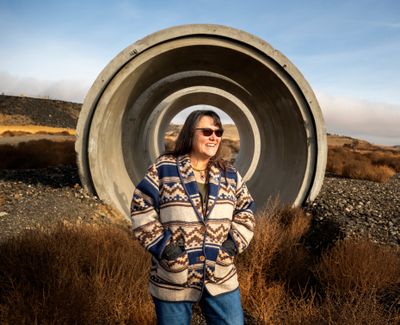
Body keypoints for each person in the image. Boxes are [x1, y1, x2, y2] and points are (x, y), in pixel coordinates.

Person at [130, 110, 255, 325]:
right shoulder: (164, 169)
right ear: (190, 133)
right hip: (174, 278)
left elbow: (246, 209)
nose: (214, 137)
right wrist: (167, 249)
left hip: (220, 276)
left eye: (218, 132)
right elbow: (141, 206)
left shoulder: (229, 174)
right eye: (207, 131)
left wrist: (232, 244)